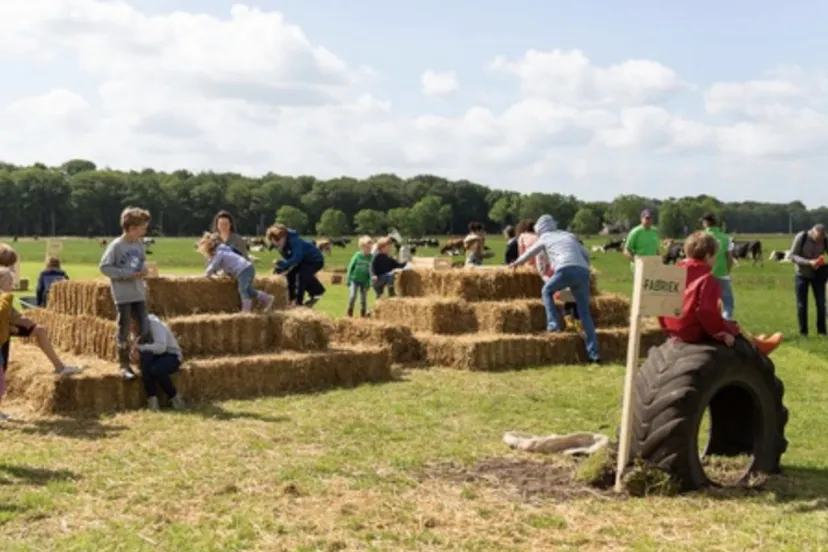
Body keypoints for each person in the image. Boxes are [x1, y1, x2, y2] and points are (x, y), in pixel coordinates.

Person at [658, 232, 782, 355]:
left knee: (729, 325)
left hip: (674, 329)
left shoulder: (671, 274)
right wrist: (718, 332)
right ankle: (759, 347)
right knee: (733, 327)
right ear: (708, 256)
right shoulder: (707, 279)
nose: (715, 260)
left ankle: (754, 340)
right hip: (693, 331)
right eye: (715, 256)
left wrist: (667, 329)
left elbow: (660, 306)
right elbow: (706, 311)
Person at [509, 214, 600, 364]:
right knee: (585, 313)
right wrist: (586, 269)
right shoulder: (568, 235)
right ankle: (594, 355)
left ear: (540, 229)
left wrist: (516, 263)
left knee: (546, 291)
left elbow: (530, 253)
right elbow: (586, 254)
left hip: (565, 268)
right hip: (583, 272)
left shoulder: (544, 238)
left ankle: (553, 325)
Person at [99, 207, 153, 380]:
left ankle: (143, 360)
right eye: (143, 228)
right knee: (124, 327)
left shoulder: (139, 244)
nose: (145, 232)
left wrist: (144, 270)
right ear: (131, 228)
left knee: (144, 328)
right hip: (123, 295)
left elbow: (141, 262)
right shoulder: (116, 246)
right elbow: (104, 267)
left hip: (138, 292)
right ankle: (124, 365)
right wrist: (126, 274)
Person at [200, 232, 274, 312]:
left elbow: (214, 265)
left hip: (243, 270)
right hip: (248, 268)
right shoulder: (224, 250)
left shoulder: (220, 253)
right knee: (248, 290)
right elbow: (222, 265)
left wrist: (206, 274)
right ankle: (267, 298)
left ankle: (246, 310)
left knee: (242, 290)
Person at [129, 314, 185, 411]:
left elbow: (161, 347)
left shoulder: (154, 324)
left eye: (132, 323)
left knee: (157, 369)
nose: (131, 326)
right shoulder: (134, 331)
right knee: (146, 360)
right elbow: (136, 352)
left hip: (171, 355)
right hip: (154, 357)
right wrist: (134, 356)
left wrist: (140, 348)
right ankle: (152, 400)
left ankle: (175, 397)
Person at [266, 224, 326, 308]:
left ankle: (298, 303)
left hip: (314, 260)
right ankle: (291, 300)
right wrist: (281, 268)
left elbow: (297, 257)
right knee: (289, 275)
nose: (276, 243)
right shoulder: (280, 244)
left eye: (278, 240)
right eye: (274, 242)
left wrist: (283, 263)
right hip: (302, 261)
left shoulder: (294, 240)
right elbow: (290, 260)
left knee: (301, 275)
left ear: (284, 236)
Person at [790, 223, 828, 336]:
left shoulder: (825, 240)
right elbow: (792, 256)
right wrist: (808, 262)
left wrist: (822, 262)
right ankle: (803, 333)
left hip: (818, 275)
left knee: (821, 303)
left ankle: (822, 332)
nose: (819, 241)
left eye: (821, 239)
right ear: (812, 232)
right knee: (802, 304)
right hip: (802, 275)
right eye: (817, 238)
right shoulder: (801, 237)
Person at [700, 213, 735, 319]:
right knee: (728, 304)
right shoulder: (726, 238)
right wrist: (728, 272)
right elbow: (729, 258)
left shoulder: (700, 237)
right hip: (722, 273)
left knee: (705, 303)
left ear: (705, 223)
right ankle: (725, 322)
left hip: (704, 275)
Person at [345, 236, 373, 317]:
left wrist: (369, 283)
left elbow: (371, 272)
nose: (369, 249)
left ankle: (362, 316)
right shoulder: (357, 256)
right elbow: (350, 267)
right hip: (354, 280)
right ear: (362, 247)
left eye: (370, 248)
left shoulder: (371, 258)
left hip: (364, 281)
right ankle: (349, 313)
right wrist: (348, 279)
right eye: (367, 247)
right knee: (352, 296)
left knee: (363, 299)